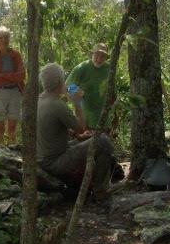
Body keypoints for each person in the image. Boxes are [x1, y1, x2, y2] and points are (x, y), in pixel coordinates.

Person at [37, 62, 113, 202]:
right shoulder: (57, 105)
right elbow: (82, 127)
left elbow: (54, 130)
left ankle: (93, 186)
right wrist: (77, 103)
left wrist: (77, 136)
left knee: (87, 138)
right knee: (103, 140)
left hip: (43, 158)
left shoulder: (38, 101)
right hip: (55, 162)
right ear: (60, 81)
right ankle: (100, 191)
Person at [0, 26, 25, 146]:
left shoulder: (16, 55)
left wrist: (3, 75)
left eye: (6, 37)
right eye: (1, 38)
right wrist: (12, 76)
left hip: (15, 92)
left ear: (9, 38)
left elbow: (22, 75)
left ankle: (13, 151)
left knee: (12, 127)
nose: (4, 40)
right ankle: (0, 153)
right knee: (0, 128)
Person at [65, 43, 110, 129]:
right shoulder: (81, 68)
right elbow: (67, 86)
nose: (99, 59)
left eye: (103, 56)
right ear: (92, 54)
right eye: (97, 55)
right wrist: (77, 92)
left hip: (103, 117)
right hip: (85, 118)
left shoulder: (109, 69)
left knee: (103, 141)